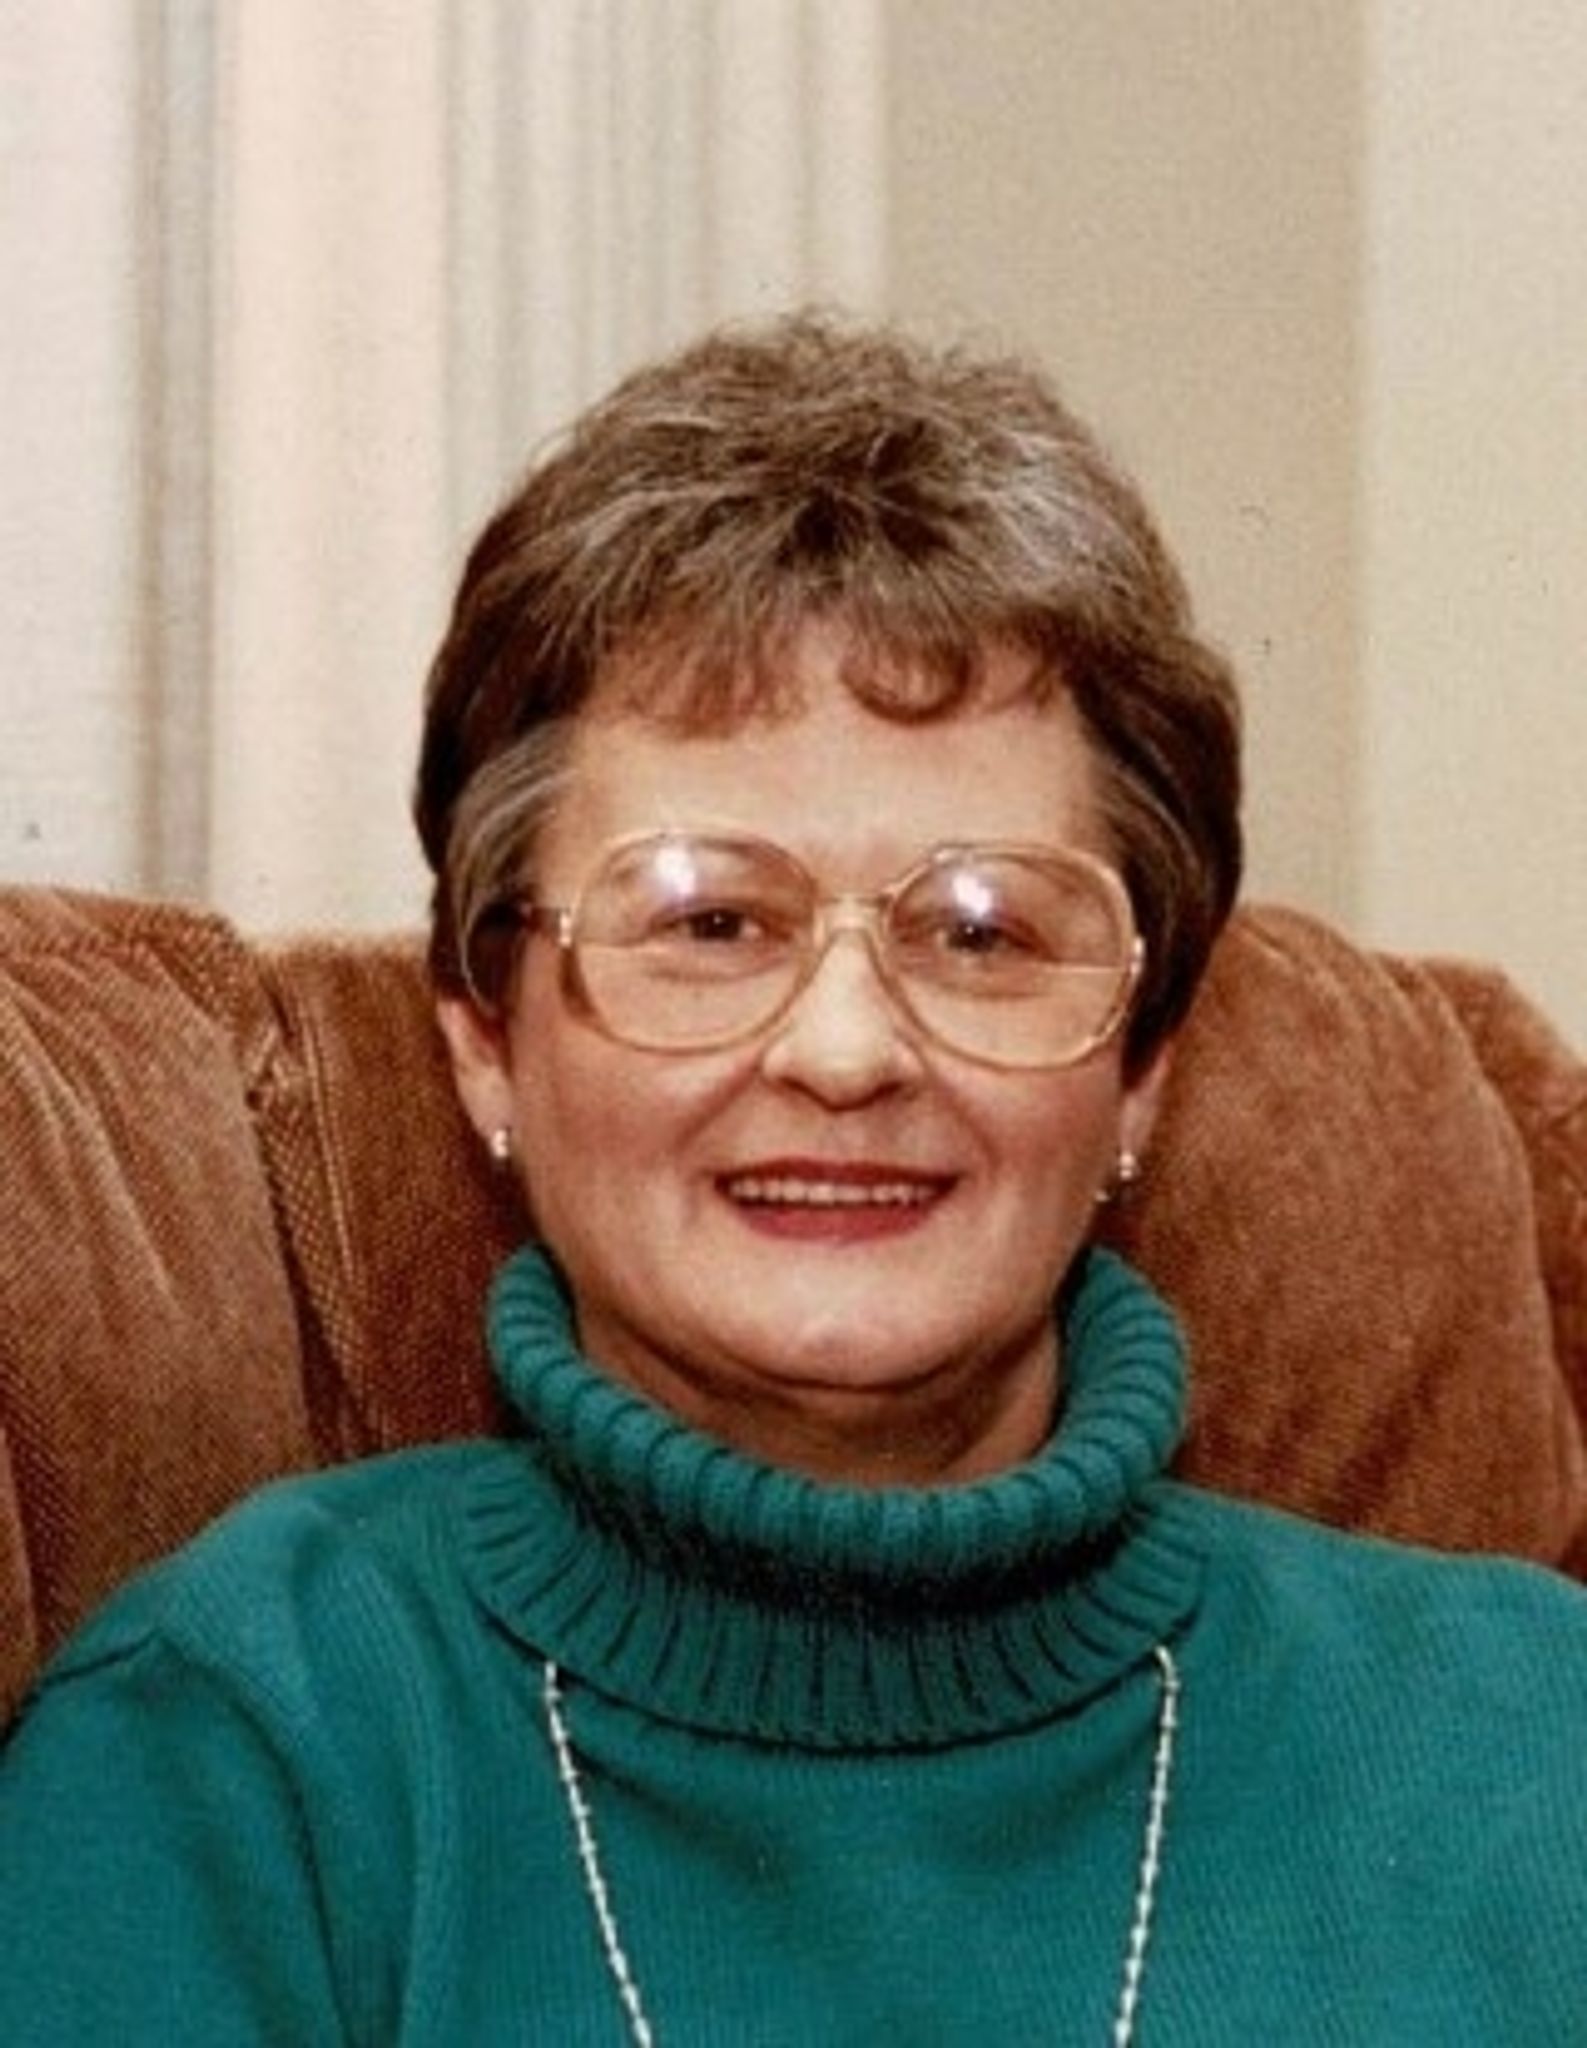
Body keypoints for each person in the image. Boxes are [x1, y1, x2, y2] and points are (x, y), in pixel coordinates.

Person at [1, 314, 1583, 2044]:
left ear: (1141, 1065)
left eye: (981, 933)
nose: (846, 1049)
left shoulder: (1531, 1737)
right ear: (485, 1039)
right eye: (710, 923)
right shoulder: (240, 1751)